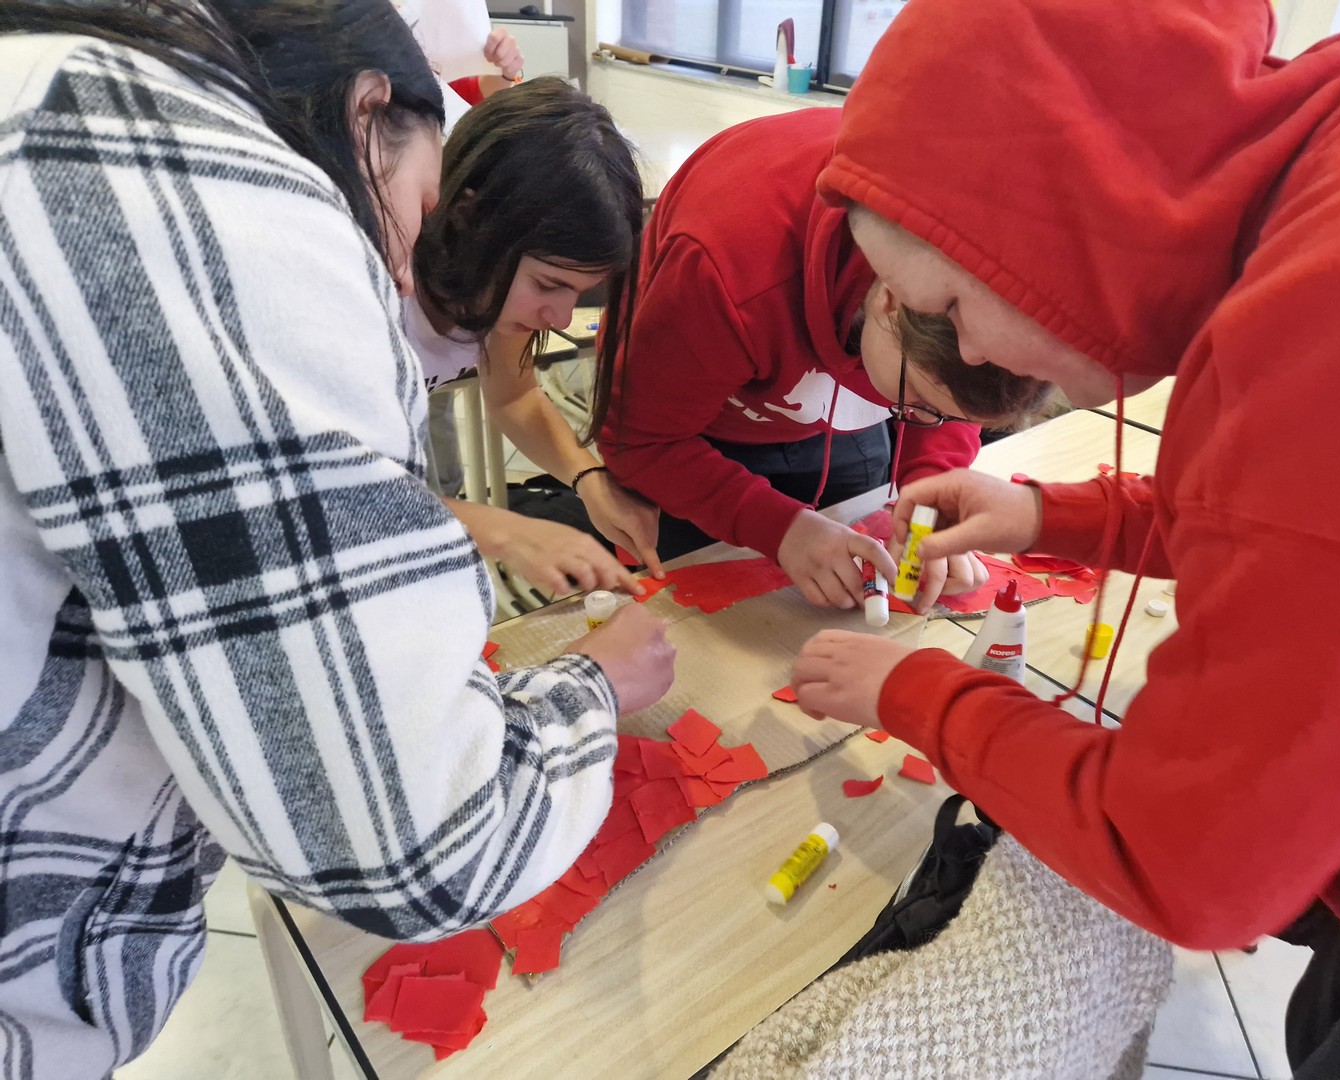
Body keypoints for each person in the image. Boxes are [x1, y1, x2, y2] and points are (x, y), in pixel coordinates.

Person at [0, 2, 674, 1076]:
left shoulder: (56, 101)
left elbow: (330, 491)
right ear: (370, 119)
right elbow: (413, 840)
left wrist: (581, 479)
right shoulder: (203, 198)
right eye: (420, 205)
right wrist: (562, 647)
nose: (399, 261)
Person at [790, 0, 1340, 1075]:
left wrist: (917, 694)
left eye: (946, 303)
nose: (977, 359)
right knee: (1322, 1010)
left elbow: (1187, 860)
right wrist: (1050, 516)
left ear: (1043, 206)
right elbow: (1300, 534)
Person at [595, 107, 1051, 612]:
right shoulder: (726, 266)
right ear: (890, 301)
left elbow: (950, 399)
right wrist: (781, 528)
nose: (927, 420)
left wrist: (933, 486)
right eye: (920, 400)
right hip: (696, 436)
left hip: (840, 419)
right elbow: (639, 440)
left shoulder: (974, 279)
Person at [410, 77, 665, 587]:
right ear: (469, 217)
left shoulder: (489, 288)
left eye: (581, 291)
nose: (561, 318)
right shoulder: (375, 294)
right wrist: (504, 531)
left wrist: (588, 478)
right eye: (548, 284)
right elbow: (337, 496)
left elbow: (512, 398)